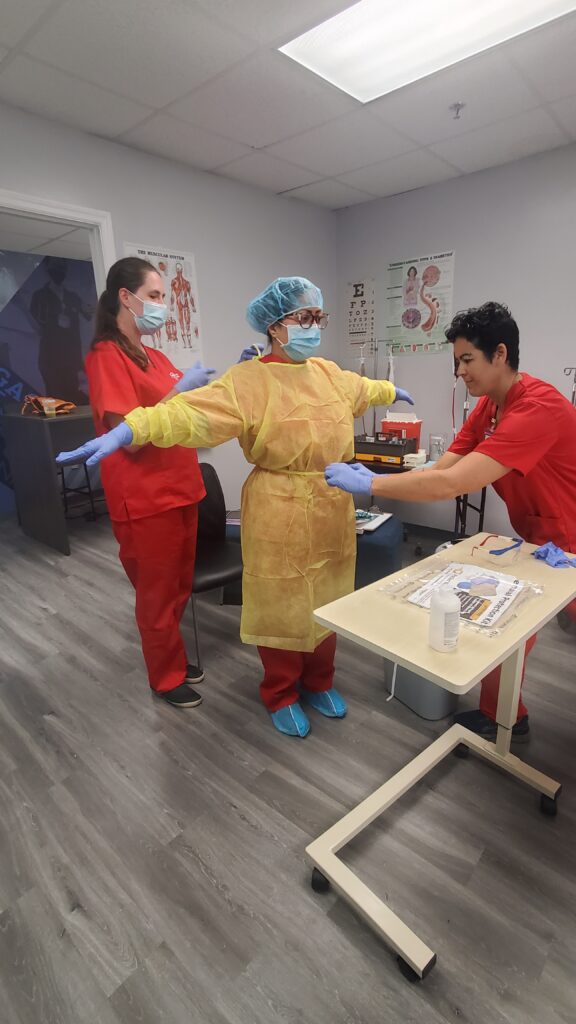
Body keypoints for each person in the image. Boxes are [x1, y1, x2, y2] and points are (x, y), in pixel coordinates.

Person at [57, 276, 414, 738]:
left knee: (329, 597)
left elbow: (360, 389)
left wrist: (388, 391)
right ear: (275, 326)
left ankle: (319, 681)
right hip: (277, 504)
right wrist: (128, 430)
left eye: (316, 319)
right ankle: (281, 691)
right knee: (282, 603)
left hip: (330, 500)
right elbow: (188, 413)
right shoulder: (247, 381)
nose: (312, 327)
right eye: (303, 318)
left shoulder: (326, 371)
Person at [326, 301, 576, 742]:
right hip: (541, 538)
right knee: (511, 630)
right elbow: (444, 469)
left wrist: (374, 487)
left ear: (500, 354)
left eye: (467, 360)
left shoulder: (538, 408)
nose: (459, 372)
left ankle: (506, 720)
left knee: (516, 631)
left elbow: (452, 484)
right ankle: (507, 719)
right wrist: (381, 474)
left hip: (568, 542)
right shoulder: (489, 408)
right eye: (456, 362)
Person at [74, 256, 217, 709]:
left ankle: (171, 655)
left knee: (177, 587)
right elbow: (130, 439)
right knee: (156, 595)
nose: (161, 307)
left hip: (182, 487)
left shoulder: (153, 354)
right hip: (145, 497)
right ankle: (165, 675)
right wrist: (180, 392)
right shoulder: (105, 356)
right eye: (154, 297)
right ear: (126, 297)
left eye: (163, 297)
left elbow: (181, 408)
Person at [30, 257, 93, 404]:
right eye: (56, 265)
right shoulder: (40, 296)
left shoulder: (73, 297)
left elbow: (89, 313)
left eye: (62, 265)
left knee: (75, 400)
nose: (60, 269)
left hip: (72, 359)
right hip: (51, 358)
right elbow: (36, 325)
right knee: (56, 401)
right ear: (47, 268)